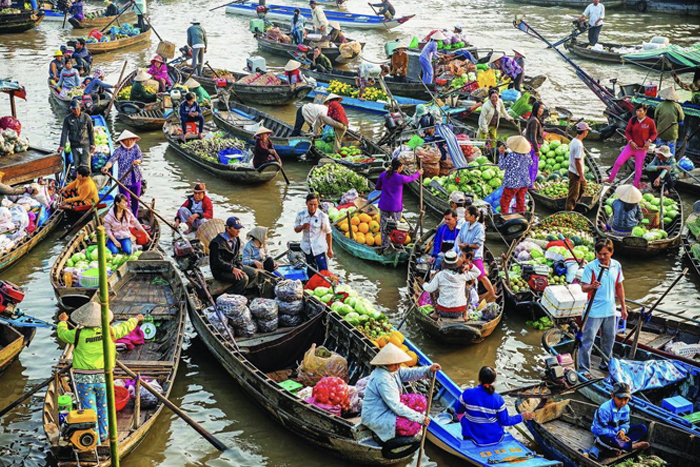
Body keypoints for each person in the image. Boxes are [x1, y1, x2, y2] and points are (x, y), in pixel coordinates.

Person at [57, 304, 144, 443]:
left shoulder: (77, 334)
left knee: (89, 410)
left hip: (83, 380)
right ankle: (103, 434)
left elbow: (62, 334)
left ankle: (94, 439)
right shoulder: (110, 331)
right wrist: (136, 318)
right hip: (104, 378)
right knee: (103, 407)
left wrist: (62, 321)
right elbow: (126, 327)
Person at [360, 343, 440, 444]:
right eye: (394, 364)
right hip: (377, 415)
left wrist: (428, 369)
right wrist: (420, 418)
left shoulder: (393, 370)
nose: (398, 366)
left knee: (421, 400)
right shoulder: (383, 379)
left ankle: (406, 419)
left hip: (388, 406)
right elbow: (396, 406)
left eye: (398, 363)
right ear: (385, 363)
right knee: (413, 426)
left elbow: (410, 373)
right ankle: (385, 434)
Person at [579, 239, 626, 373]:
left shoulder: (616, 266)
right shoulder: (591, 267)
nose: (601, 257)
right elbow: (583, 288)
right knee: (587, 341)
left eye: (605, 254)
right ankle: (584, 369)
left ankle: (606, 364)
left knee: (609, 340)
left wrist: (623, 307)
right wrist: (591, 286)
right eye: (599, 254)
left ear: (611, 252)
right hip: (593, 311)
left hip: (610, 310)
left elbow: (619, 287)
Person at [454, 367, 534, 446]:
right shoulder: (498, 399)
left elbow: (458, 410)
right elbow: (505, 421)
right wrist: (522, 417)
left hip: (472, 437)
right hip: (495, 438)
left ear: (478, 378)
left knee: (462, 414)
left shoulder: (467, 393)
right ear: (494, 380)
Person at [606, 104, 657, 189]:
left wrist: (649, 141)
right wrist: (630, 141)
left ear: (645, 111)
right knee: (618, 162)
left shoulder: (650, 122)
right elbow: (627, 132)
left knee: (638, 168)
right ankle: (610, 179)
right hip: (631, 147)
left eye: (640, 111)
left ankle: (635, 185)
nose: (638, 113)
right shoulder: (632, 120)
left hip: (641, 149)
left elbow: (654, 133)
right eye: (637, 111)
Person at [592, 382, 650, 454]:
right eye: (620, 399)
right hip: (604, 435)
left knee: (642, 428)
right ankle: (631, 446)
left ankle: (622, 446)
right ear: (612, 396)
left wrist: (622, 431)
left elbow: (625, 423)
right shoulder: (604, 409)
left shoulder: (626, 408)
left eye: (626, 399)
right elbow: (600, 430)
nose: (623, 402)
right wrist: (617, 435)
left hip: (618, 433)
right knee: (606, 439)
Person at [376, 158, 421, 247]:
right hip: (395, 207)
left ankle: (384, 245)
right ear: (399, 168)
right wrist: (419, 173)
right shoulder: (399, 178)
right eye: (402, 167)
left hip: (384, 204)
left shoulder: (383, 174)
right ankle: (396, 244)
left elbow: (377, 187)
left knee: (384, 226)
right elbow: (411, 178)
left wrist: (386, 188)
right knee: (398, 227)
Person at [423, 250, 481, 319]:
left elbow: (429, 289)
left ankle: (435, 313)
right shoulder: (462, 275)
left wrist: (424, 284)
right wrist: (470, 266)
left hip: (442, 310)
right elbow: (478, 272)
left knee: (433, 290)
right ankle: (465, 314)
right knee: (467, 290)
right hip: (459, 311)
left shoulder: (439, 275)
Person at [454, 205, 496, 300]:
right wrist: (460, 244)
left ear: (473, 216)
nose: (465, 216)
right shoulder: (465, 224)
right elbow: (459, 236)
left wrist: (467, 245)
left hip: (475, 256)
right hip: (463, 254)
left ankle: (492, 294)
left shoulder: (479, 228)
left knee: (481, 276)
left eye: (467, 214)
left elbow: (477, 245)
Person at [209, 216, 258, 294]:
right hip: (221, 271)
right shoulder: (216, 243)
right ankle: (230, 295)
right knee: (243, 278)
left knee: (253, 273)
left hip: (233, 265)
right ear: (228, 228)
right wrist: (232, 269)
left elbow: (237, 255)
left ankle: (241, 289)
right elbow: (217, 262)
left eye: (239, 229)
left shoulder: (236, 239)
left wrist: (239, 266)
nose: (238, 231)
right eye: (236, 229)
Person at [102, 130, 144, 216]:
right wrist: (106, 167)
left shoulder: (136, 147)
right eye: (127, 140)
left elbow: (140, 158)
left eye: (131, 140)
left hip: (136, 178)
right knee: (125, 203)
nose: (129, 142)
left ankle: (134, 219)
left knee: (136, 201)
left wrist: (137, 161)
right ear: (122, 141)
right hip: (124, 180)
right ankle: (126, 220)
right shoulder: (119, 151)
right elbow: (111, 160)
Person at [294, 193, 333, 278]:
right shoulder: (301, 214)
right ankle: (312, 285)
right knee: (311, 270)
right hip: (307, 248)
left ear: (318, 204)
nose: (312, 207)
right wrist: (303, 226)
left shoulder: (322, 216)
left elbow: (328, 233)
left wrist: (330, 249)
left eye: (315, 205)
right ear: (306, 203)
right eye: (310, 204)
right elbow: (296, 229)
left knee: (324, 272)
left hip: (319, 248)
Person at [499, 136, 533, 214]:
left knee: (504, 202)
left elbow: (501, 166)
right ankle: (521, 216)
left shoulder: (512, 156)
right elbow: (530, 163)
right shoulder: (527, 154)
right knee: (520, 201)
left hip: (513, 183)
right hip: (524, 182)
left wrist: (501, 154)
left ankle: (505, 218)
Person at [59, 99, 95, 172]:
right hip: (74, 145)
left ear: (80, 108)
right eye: (74, 109)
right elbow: (64, 133)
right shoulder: (68, 119)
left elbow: (91, 131)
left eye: (77, 108)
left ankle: (87, 180)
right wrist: (62, 145)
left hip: (85, 144)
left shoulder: (86, 117)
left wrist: (93, 144)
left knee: (86, 165)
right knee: (77, 165)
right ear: (71, 109)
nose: (76, 110)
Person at [566, 121, 591, 211]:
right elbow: (578, 161)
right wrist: (581, 176)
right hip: (575, 173)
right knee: (573, 196)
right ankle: (569, 212)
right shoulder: (579, 145)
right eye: (587, 131)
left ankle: (575, 207)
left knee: (580, 190)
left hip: (572, 170)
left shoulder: (574, 141)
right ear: (585, 132)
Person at [654, 86, 685, 155]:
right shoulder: (677, 106)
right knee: (671, 152)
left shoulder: (660, 105)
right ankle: (670, 164)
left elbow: (655, 117)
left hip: (661, 132)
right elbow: (681, 119)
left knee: (659, 150)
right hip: (672, 134)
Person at [525, 101, 544, 187]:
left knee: (531, 166)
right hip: (532, 148)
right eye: (541, 108)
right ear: (536, 109)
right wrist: (536, 150)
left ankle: (529, 183)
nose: (542, 110)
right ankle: (530, 185)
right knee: (533, 168)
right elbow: (533, 137)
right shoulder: (534, 121)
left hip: (532, 147)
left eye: (542, 108)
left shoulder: (534, 119)